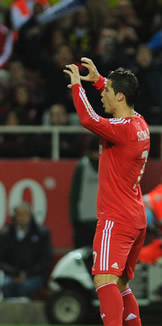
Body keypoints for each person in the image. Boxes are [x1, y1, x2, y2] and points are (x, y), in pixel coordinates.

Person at [64, 58, 150, 326]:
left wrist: (78, 86)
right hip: (135, 217)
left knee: (103, 280)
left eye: (107, 92)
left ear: (120, 96)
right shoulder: (139, 123)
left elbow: (88, 119)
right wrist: (100, 80)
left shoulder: (122, 131)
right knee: (121, 284)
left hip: (116, 218)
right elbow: (114, 102)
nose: (103, 95)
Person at [0, 202, 52, 299]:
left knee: (25, 287)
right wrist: (14, 273)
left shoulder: (41, 233)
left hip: (33, 275)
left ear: (31, 216)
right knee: (7, 287)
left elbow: (46, 259)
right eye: (19, 215)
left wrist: (27, 273)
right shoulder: (6, 235)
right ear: (14, 217)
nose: (22, 218)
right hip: (12, 275)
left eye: (25, 214)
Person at [69, 136, 100, 249]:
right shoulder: (83, 166)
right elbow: (74, 194)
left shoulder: (111, 164)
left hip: (105, 220)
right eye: (95, 151)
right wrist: (74, 218)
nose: (97, 155)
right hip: (84, 221)